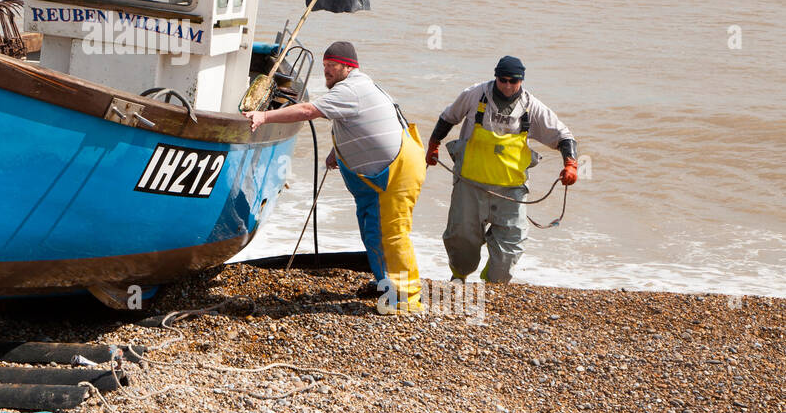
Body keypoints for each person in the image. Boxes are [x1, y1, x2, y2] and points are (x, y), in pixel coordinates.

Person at [244, 41, 426, 314]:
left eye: (333, 66)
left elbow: (308, 111)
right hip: (378, 174)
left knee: (392, 234)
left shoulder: (351, 89)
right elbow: (353, 122)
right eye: (325, 65)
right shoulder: (355, 88)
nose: (327, 71)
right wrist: (337, 152)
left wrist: (263, 116)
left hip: (398, 171)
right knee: (372, 230)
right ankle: (384, 284)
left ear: (348, 67)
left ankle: (406, 301)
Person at [426, 56, 577, 283]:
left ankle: (493, 285)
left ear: (521, 81)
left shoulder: (531, 106)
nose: (507, 86)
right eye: (502, 80)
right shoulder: (475, 94)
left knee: (511, 246)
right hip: (469, 185)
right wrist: (433, 144)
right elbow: (448, 117)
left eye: (513, 81)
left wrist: (571, 164)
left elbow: (563, 136)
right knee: (461, 239)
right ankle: (458, 277)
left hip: (511, 191)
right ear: (496, 77)